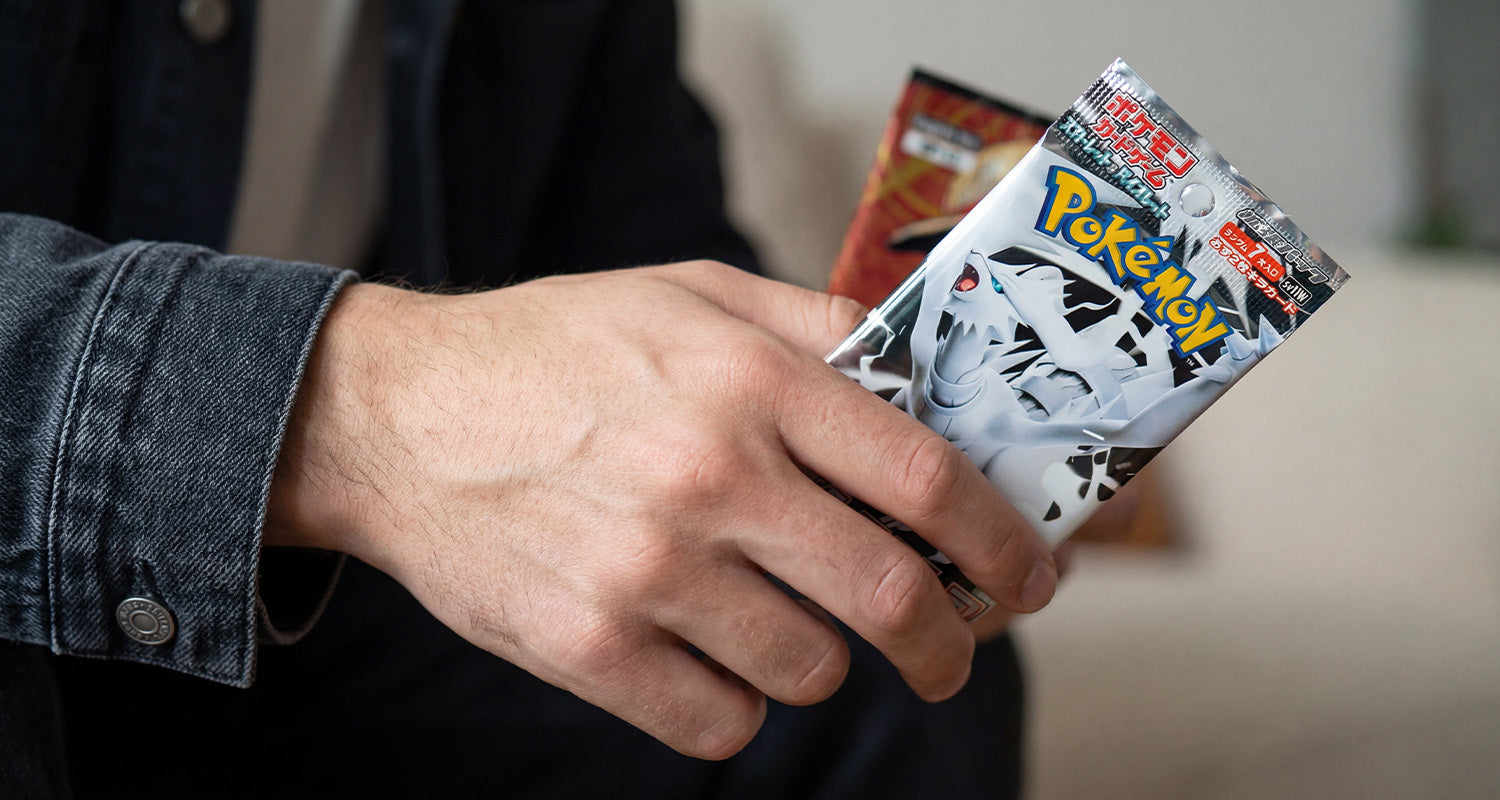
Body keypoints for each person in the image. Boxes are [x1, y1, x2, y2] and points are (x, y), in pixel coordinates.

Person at [0, 1, 1059, 796]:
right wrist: (361, 406)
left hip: (333, 626)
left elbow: (649, 248)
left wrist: (872, 466)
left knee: (894, 684)